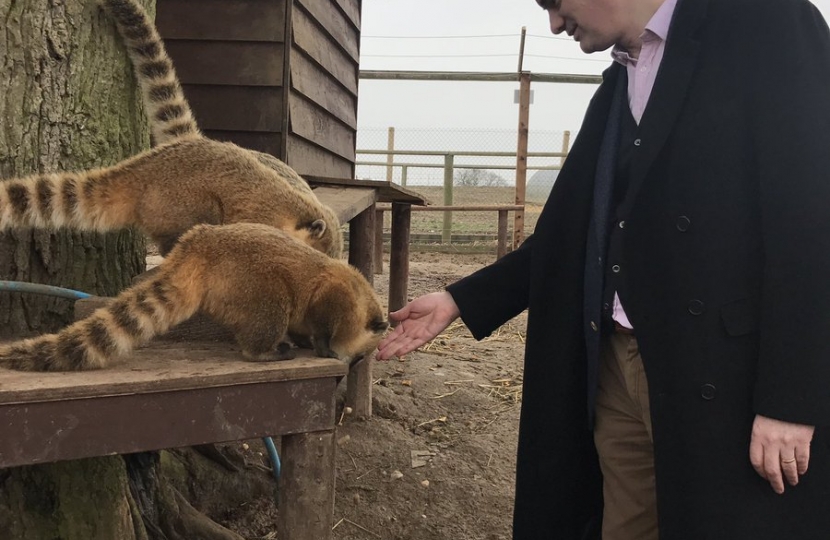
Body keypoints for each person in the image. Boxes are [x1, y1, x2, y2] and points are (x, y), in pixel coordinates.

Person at [376, 0, 830, 538]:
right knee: (626, 526)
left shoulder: (765, 23)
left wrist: (791, 399)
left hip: (723, 373)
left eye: (554, 2)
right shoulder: (619, 85)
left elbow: (811, 221)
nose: (553, 23)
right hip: (616, 363)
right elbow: (569, 233)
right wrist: (460, 300)